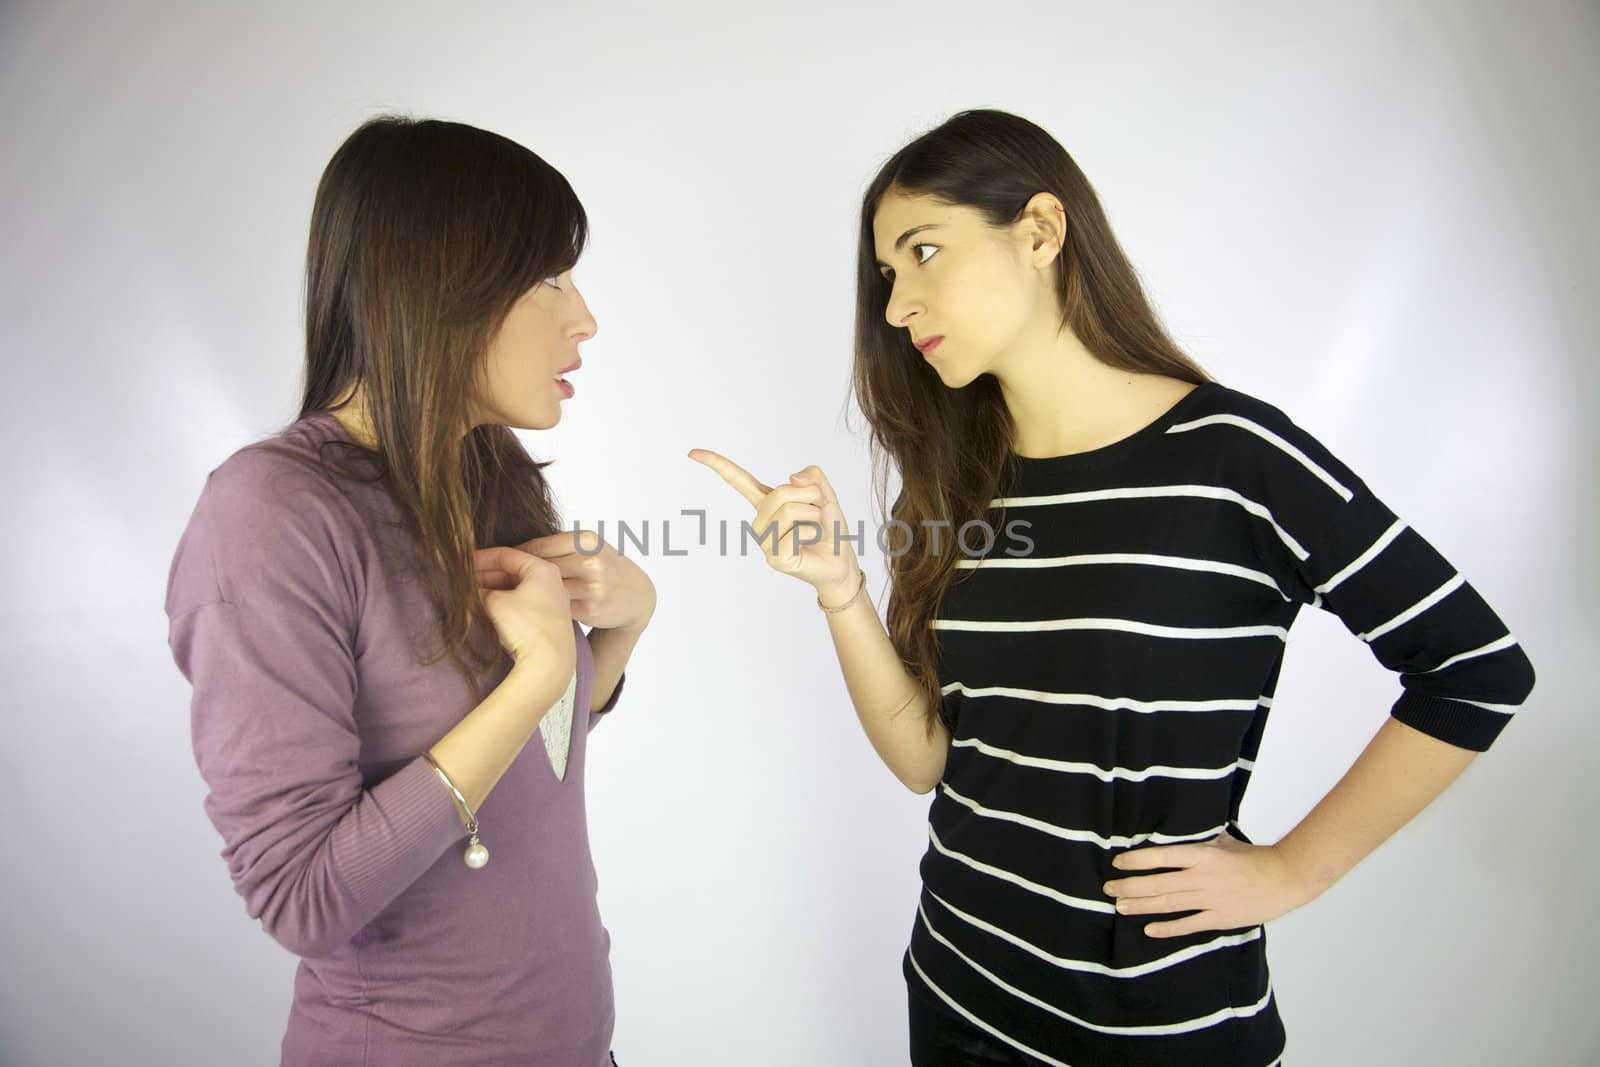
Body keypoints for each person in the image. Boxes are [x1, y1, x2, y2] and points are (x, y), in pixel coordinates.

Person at [691, 108, 1535, 1066]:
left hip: (1148, 1027)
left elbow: (1477, 667)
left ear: (1042, 230)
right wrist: (839, 591)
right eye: (888, 274)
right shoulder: (963, 482)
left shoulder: (1233, 457)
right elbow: (932, 759)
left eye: (923, 252)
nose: (895, 306)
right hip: (956, 982)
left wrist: (1294, 870)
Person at [163, 115, 653, 1066]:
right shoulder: (269, 514)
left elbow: (516, 768)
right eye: (547, 277)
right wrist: (541, 671)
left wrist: (619, 635)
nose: (583, 315)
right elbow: (302, 896)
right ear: (436, 283)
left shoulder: (484, 476)